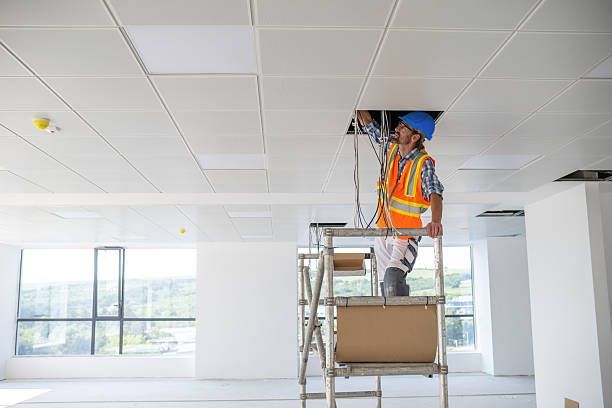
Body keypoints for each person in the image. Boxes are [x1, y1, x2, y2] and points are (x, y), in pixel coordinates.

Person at [356, 111, 444, 296]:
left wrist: (435, 220)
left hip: (404, 236)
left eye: (402, 127)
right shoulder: (393, 148)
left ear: (414, 137)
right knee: (383, 287)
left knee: (392, 280)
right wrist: (358, 106)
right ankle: (386, 323)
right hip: (382, 232)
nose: (396, 129)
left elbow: (434, 191)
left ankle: (404, 323)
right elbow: (373, 129)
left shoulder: (423, 162)